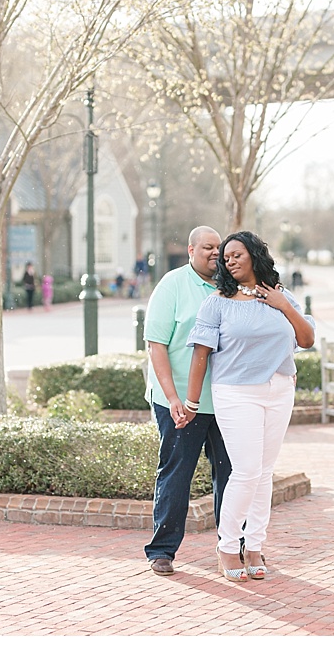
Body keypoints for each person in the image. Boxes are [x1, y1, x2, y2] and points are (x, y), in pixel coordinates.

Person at [186, 231, 314, 583]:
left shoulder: (282, 296)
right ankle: (228, 547)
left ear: (255, 255)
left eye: (237, 254)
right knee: (245, 471)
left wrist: (283, 306)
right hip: (236, 392)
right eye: (226, 257)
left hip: (279, 389)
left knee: (265, 472)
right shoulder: (217, 302)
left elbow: (306, 339)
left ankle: (255, 546)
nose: (229, 260)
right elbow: (201, 354)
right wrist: (191, 402)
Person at [142, 226, 233, 576]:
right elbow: (156, 344)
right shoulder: (172, 285)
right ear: (191, 249)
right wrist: (172, 397)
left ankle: (233, 546)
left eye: (219, 248)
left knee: (230, 475)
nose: (215, 253)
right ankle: (162, 550)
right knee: (177, 472)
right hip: (179, 401)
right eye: (208, 247)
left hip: (225, 400)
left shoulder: (231, 287)